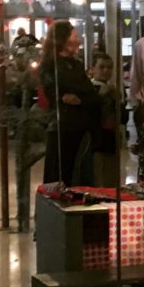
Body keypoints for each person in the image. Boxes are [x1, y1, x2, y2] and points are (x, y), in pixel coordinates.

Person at [39, 20, 100, 186]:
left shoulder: (76, 65)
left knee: (79, 175)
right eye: (74, 36)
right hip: (62, 126)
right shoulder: (51, 65)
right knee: (61, 175)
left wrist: (80, 99)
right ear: (63, 39)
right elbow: (56, 93)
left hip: (80, 127)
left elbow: (89, 94)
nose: (78, 40)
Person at [89, 52, 122, 186]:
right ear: (92, 69)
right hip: (95, 142)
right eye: (101, 67)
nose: (106, 71)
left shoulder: (114, 90)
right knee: (98, 179)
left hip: (111, 140)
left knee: (112, 180)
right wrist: (100, 97)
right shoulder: (89, 89)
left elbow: (122, 117)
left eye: (109, 67)